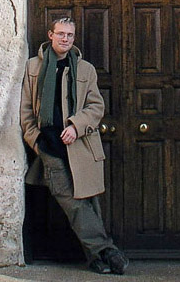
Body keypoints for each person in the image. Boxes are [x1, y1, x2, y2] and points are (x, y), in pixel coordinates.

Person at [20, 17, 129, 275]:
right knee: (72, 203)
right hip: (49, 148)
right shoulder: (33, 67)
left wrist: (76, 126)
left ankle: (97, 259)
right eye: (61, 34)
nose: (65, 39)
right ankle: (108, 250)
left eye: (70, 35)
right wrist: (36, 140)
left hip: (81, 146)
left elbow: (96, 107)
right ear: (50, 35)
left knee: (89, 204)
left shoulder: (85, 69)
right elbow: (26, 111)